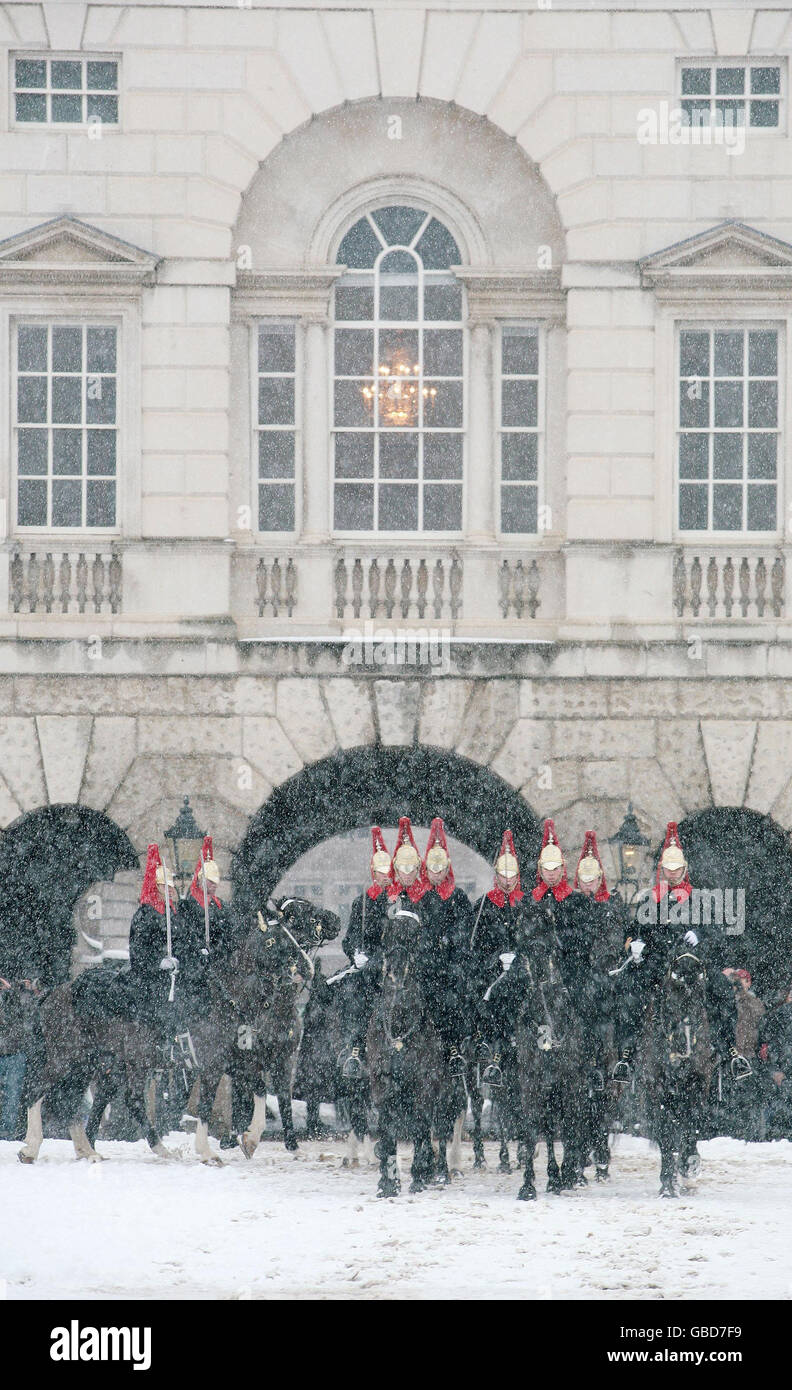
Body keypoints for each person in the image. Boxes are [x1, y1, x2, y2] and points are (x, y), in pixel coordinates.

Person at [403, 817, 473, 1078]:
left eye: (440, 869)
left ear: (446, 870)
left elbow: (465, 929)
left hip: (447, 965)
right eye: (431, 869)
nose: (435, 873)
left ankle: (453, 1049)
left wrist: (449, 940)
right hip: (421, 964)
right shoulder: (415, 897)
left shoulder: (458, 897)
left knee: (450, 1003)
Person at [337, 827, 394, 1080]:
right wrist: (356, 955)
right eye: (380, 872)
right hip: (368, 965)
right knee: (355, 998)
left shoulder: (399, 900)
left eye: (388, 872)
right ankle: (355, 1049)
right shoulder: (361, 903)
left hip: (394, 964)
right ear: (373, 873)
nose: (385, 877)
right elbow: (349, 940)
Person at [471, 831, 525, 1087]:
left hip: (521, 971)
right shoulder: (483, 905)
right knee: (484, 1000)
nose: (507, 881)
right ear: (496, 876)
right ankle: (484, 1043)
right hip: (491, 971)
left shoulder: (527, 905)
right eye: (503, 876)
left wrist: (519, 958)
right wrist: (493, 959)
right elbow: (472, 942)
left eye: (511, 876)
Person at [719, 968, 765, 1140]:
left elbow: (760, 1026)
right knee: (729, 1096)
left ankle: (749, 1133)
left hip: (748, 1055)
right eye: (736, 981)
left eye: (742, 980)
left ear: (749, 982)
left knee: (748, 1097)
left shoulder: (754, 1003)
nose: (739, 984)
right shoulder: (726, 1001)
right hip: (730, 1054)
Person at [0, 976, 40, 1141]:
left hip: (14, 1052)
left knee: (13, 1095)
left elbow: (22, 1015)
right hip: (14, 1051)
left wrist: (11, 991)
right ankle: (7, 1131)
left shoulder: (19, 997)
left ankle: (7, 1131)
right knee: (12, 1094)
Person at [758, 985, 792, 1140]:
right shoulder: (781, 1015)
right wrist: (775, 1069)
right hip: (784, 1066)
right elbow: (771, 1043)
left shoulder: (779, 1014)